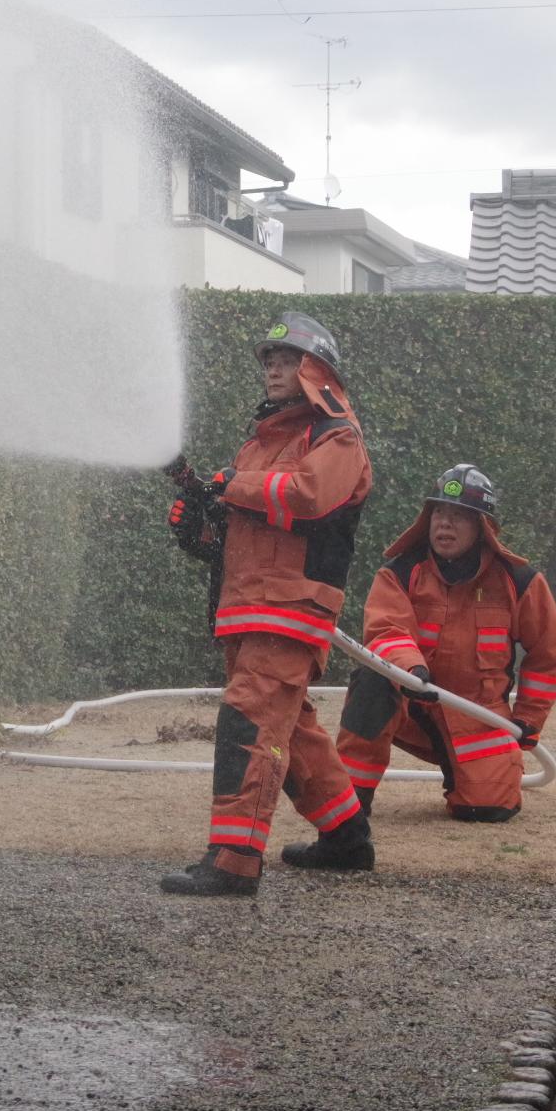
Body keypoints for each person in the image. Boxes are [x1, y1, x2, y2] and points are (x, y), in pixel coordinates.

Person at [160, 312, 374, 896]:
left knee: (250, 721)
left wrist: (226, 486)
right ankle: (347, 837)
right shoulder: (260, 443)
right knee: (294, 730)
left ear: (317, 369)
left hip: (288, 606)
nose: (274, 368)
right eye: (269, 360)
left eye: (287, 358)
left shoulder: (337, 435)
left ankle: (233, 861)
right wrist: (200, 528)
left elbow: (307, 497)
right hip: (250, 608)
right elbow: (246, 534)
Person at [333, 465, 556, 823]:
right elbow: (385, 630)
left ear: (483, 526)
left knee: (486, 809)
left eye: (458, 515)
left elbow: (548, 655)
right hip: (412, 706)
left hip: (478, 718)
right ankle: (349, 807)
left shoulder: (519, 582)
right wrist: (412, 672)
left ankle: (467, 776)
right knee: (372, 680)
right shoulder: (400, 573)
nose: (445, 524)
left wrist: (527, 720)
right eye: (439, 513)